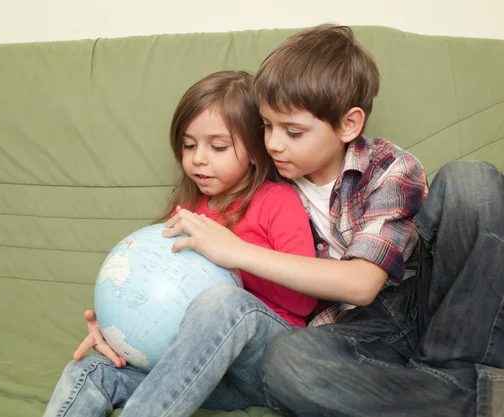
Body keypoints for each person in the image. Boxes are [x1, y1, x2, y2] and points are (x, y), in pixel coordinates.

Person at [166, 25, 504, 416]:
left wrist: (239, 252)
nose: (274, 143)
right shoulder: (265, 180)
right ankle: (467, 395)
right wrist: (124, 324)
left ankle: (454, 376)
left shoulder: (389, 167)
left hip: (434, 306)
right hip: (358, 333)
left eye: (293, 131)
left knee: (472, 181)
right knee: (287, 360)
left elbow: (362, 284)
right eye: (266, 125)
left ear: (348, 125)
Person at [43, 70, 318, 417]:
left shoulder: (277, 201)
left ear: (254, 149)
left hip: (266, 365)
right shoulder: (188, 212)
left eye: (217, 146)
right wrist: (118, 322)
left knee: (223, 300)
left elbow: (304, 301)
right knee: (89, 371)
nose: (198, 158)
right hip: (201, 375)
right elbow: (157, 291)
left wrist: (233, 258)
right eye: (189, 145)